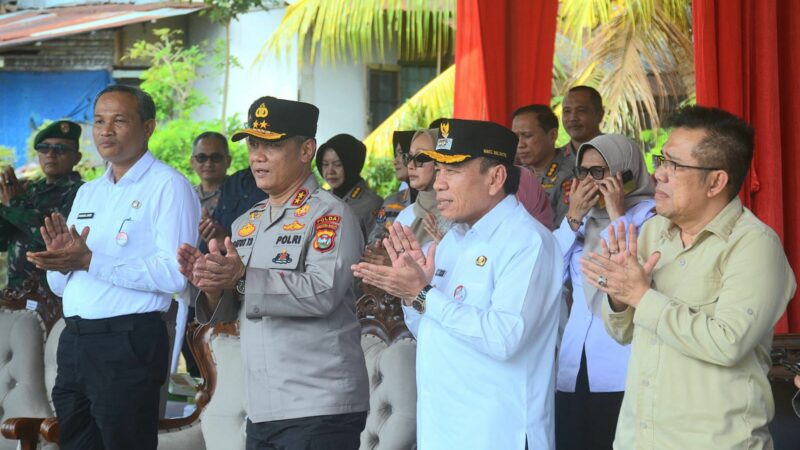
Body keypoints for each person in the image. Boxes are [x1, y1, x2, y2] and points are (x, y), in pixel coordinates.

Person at [581, 106, 796, 449]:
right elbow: (622, 333)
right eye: (660, 160)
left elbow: (728, 343)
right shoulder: (652, 232)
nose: (659, 175)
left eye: (674, 166)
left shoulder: (755, 245)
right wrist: (618, 296)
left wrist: (641, 296)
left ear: (716, 181)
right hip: (640, 438)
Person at [353, 118, 563, 449]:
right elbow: (428, 328)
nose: (439, 183)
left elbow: (504, 339)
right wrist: (413, 296)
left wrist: (422, 295)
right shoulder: (454, 241)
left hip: (496, 433)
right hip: (443, 428)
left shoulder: (526, 242)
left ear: (495, 177)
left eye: (453, 171)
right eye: (439, 171)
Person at [177, 96, 369, 449]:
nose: (258, 156)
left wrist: (242, 278)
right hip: (262, 406)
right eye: (253, 143)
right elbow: (230, 311)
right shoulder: (245, 223)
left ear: (306, 150)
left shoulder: (331, 215)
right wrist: (212, 285)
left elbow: (322, 292)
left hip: (318, 405)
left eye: (273, 144)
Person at [26, 85, 200, 450]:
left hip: (128, 341)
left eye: (119, 120)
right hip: (74, 340)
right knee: (75, 444)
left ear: (148, 127)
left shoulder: (169, 186)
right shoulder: (89, 192)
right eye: (99, 121)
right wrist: (60, 260)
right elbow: (62, 286)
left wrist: (90, 260)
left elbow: (174, 274)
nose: (106, 131)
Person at [554, 134, 655, 450]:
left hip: (621, 363)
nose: (589, 181)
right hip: (574, 358)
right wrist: (572, 218)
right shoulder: (581, 221)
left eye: (599, 172)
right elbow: (548, 278)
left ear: (625, 173)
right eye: (582, 172)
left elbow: (631, 271)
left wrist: (616, 214)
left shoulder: (649, 217)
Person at [0, 120, 83, 292]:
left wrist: (14, 204)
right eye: (44, 148)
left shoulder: (82, 192)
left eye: (61, 149)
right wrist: (4, 202)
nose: (51, 154)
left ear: (77, 157)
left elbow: (58, 238)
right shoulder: (26, 190)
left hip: (54, 298)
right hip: (15, 294)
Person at [512, 104, 572, 224]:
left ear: (552, 135)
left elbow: (564, 228)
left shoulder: (570, 174)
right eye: (515, 137)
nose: (520, 144)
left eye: (527, 136)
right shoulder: (515, 174)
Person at [316, 133, 382, 238]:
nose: (330, 171)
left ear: (351, 165)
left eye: (337, 164)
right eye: (325, 164)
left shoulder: (371, 203)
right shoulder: (320, 199)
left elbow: (374, 248)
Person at [366, 129, 415, 245]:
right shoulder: (391, 202)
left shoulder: (436, 203)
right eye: (395, 154)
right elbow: (374, 238)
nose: (395, 161)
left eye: (401, 154)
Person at [190, 131, 231, 216]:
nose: (208, 163)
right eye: (201, 157)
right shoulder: (187, 195)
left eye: (216, 157)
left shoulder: (240, 193)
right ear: (192, 162)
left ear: (228, 161)